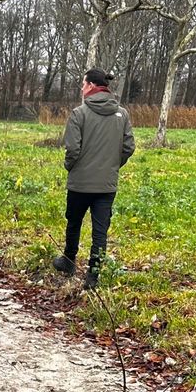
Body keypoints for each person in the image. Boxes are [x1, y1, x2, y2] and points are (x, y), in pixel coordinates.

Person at [54, 67, 135, 290]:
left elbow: (72, 149)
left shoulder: (78, 114)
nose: (81, 88)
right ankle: (93, 275)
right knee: (100, 230)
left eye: (83, 84)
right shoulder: (122, 114)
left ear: (90, 86)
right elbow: (128, 147)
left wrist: (70, 167)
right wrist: (112, 166)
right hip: (106, 185)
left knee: (74, 222)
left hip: (80, 183)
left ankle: (68, 261)